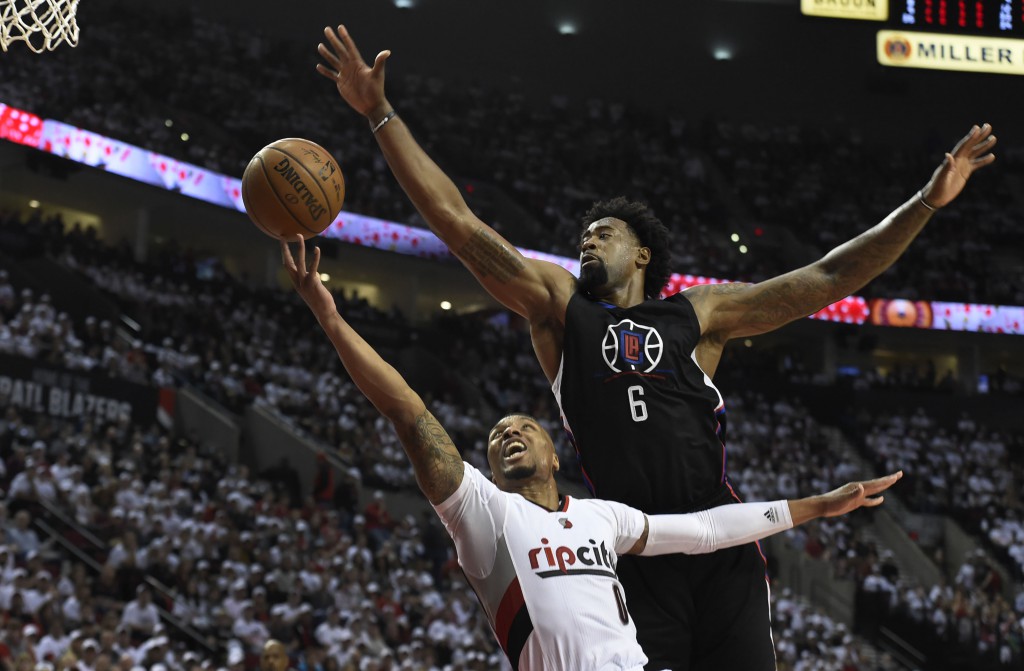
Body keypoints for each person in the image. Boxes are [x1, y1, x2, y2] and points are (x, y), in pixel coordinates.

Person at [314, 24, 996, 670]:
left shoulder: (700, 313)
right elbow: (458, 224)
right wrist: (380, 116)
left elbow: (826, 277)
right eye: (583, 232)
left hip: (719, 540)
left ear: (641, 252)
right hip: (632, 546)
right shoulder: (559, 310)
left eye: (601, 231)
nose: (586, 239)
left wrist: (926, 203)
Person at [281, 237, 901, 670]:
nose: (507, 434)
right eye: (497, 436)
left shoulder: (602, 516)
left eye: (524, 425)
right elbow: (408, 410)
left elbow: (707, 528)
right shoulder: (483, 513)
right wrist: (330, 316)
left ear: (557, 452)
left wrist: (813, 507)